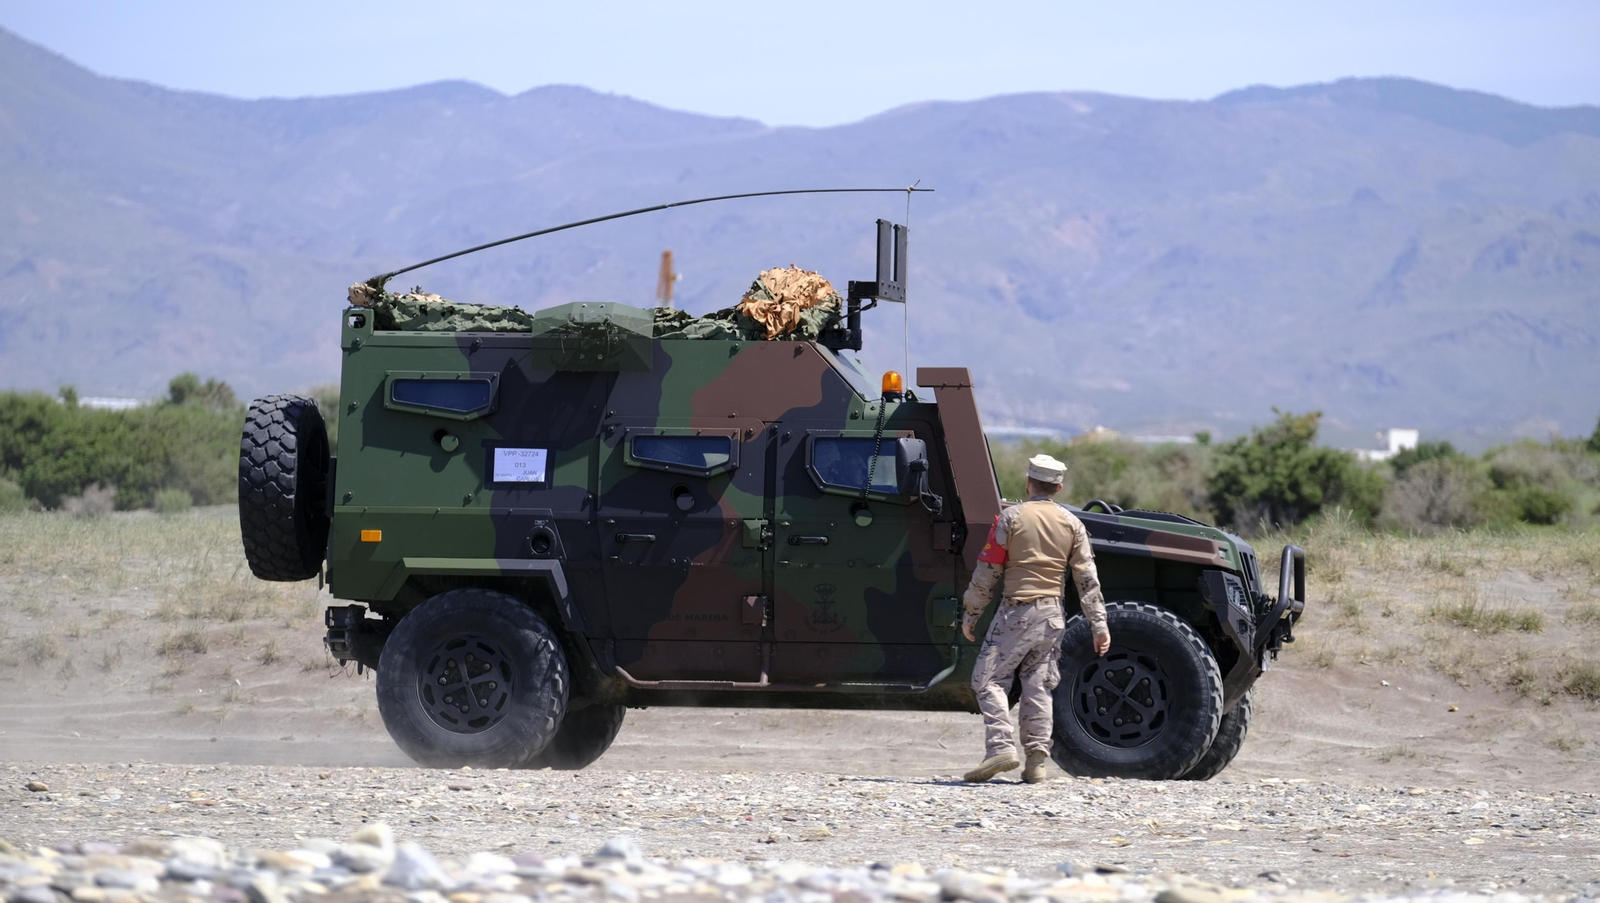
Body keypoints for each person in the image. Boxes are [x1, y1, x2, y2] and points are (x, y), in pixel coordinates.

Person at [960, 453, 1110, 784]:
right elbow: (1087, 579)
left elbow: (988, 571)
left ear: (1029, 483)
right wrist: (1099, 625)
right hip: (1053, 615)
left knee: (987, 680)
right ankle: (1036, 761)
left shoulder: (1010, 519)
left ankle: (1000, 748)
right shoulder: (1074, 524)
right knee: (1037, 684)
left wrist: (971, 612)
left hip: (1018, 609)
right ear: (1058, 487)